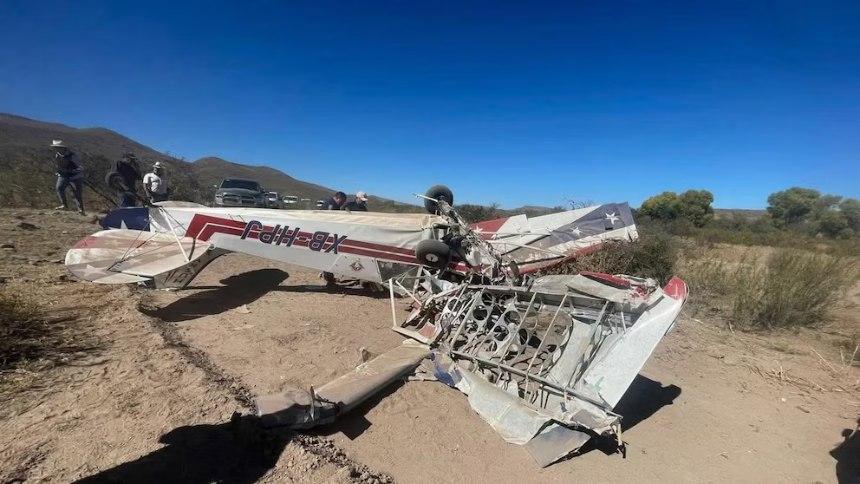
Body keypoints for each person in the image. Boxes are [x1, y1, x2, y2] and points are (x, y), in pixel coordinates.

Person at [51, 140, 85, 215]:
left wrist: (73, 171)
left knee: (76, 193)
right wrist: (59, 171)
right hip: (63, 175)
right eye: (55, 147)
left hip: (75, 177)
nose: (56, 149)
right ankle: (64, 205)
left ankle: (80, 210)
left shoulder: (72, 156)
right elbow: (58, 165)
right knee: (59, 188)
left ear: (63, 148)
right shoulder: (57, 155)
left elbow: (80, 167)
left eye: (58, 147)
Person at [320, 191, 346, 285]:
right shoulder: (331, 205)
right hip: (327, 233)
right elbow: (330, 219)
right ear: (338, 198)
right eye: (342, 201)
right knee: (329, 255)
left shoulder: (332, 203)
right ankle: (328, 277)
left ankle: (327, 275)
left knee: (328, 254)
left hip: (326, 232)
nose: (342, 203)